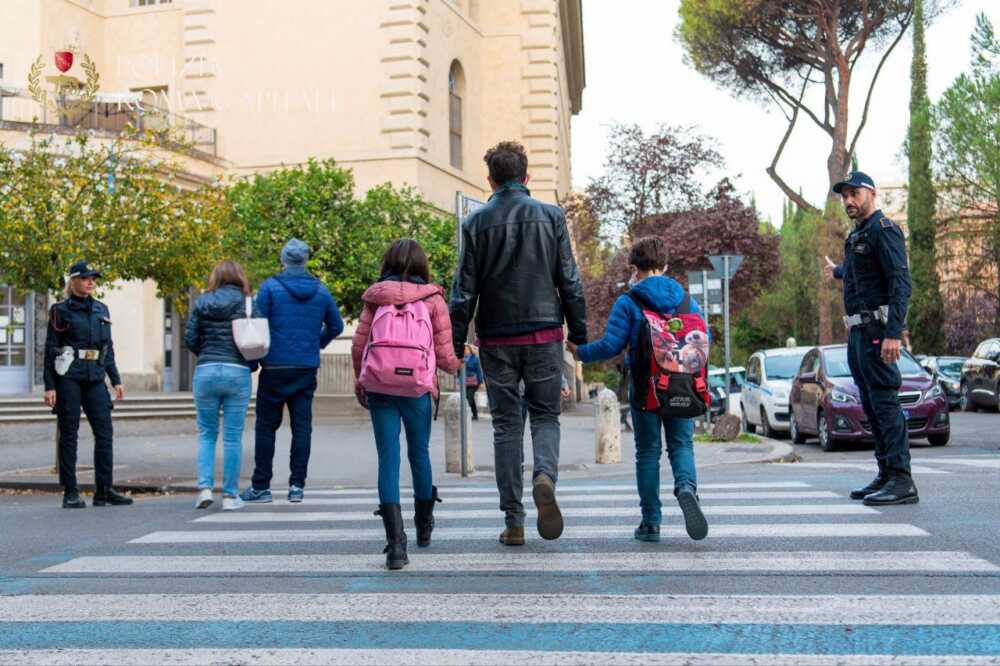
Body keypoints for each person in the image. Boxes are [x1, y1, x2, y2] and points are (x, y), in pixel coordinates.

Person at [450, 140, 587, 546]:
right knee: (546, 416)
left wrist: (457, 342)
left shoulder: (475, 224)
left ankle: (514, 521)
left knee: (507, 426)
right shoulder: (552, 217)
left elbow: (463, 291)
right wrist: (578, 333)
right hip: (546, 333)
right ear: (526, 178)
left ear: (490, 179)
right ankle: (544, 475)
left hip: (496, 338)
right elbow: (570, 280)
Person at [568, 236, 708, 541]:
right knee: (682, 446)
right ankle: (686, 487)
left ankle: (650, 523)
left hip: (647, 388)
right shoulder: (686, 300)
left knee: (648, 452)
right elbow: (702, 334)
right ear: (665, 265)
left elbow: (611, 345)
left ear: (634, 268)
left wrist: (580, 352)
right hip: (683, 383)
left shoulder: (629, 301)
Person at [352, 239, 461, 569]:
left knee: (388, 458)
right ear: (421, 265)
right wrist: (460, 362)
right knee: (419, 453)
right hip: (417, 388)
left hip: (381, 385)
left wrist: (361, 381)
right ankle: (424, 527)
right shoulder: (432, 299)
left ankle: (396, 546)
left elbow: (360, 345)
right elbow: (443, 356)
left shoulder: (376, 297)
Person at [824, 171, 916, 506]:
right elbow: (860, 272)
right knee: (872, 405)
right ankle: (885, 473)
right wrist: (837, 271)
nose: (849, 201)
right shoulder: (858, 235)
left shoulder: (883, 230)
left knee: (885, 404)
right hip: (858, 333)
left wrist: (894, 331)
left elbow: (899, 281)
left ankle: (902, 480)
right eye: (844, 196)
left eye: (855, 194)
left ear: (871, 194)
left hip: (878, 332)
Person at [241, 239, 344, 505]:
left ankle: (261, 486)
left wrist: (257, 358)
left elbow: (257, 323)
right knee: (302, 428)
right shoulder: (321, 291)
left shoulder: (271, 288)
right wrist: (316, 343)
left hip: (274, 366)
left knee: (266, 427)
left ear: (283, 260)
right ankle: (297, 485)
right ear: (306, 260)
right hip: (305, 368)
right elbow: (336, 326)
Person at [43, 260, 132, 509]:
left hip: (95, 376)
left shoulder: (101, 309)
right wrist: (49, 385)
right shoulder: (59, 310)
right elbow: (51, 348)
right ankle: (70, 491)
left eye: (93, 277)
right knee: (69, 434)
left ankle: (104, 490)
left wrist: (115, 379)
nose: (91, 281)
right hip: (69, 376)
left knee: (105, 433)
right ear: (73, 281)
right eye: (85, 278)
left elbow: (107, 348)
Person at [184, 261, 258, 511]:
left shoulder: (202, 302)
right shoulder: (248, 302)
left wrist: (206, 353)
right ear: (239, 277)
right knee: (232, 437)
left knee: (206, 433)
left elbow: (190, 338)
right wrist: (252, 363)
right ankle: (229, 496)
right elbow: (257, 338)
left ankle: (204, 489)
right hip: (237, 371)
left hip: (206, 370)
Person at [464, 345, 485, 420]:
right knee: (470, 398)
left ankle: (465, 414)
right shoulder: (462, 359)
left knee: (468, 397)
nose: (465, 351)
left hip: (474, 382)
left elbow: (479, 371)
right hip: (465, 382)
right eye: (464, 350)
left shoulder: (475, 359)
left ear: (470, 351)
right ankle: (475, 415)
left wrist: (481, 382)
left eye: (467, 350)